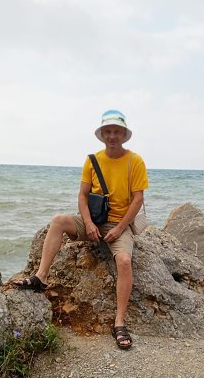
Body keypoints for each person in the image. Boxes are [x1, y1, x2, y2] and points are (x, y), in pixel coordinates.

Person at [14, 109, 149, 349]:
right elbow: (82, 195)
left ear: (123, 134)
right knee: (58, 221)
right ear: (102, 134)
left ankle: (119, 322)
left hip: (119, 224)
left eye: (116, 131)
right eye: (108, 131)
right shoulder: (93, 160)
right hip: (93, 221)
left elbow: (138, 199)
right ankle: (41, 277)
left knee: (124, 261)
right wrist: (87, 223)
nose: (112, 136)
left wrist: (119, 229)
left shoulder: (135, 161)